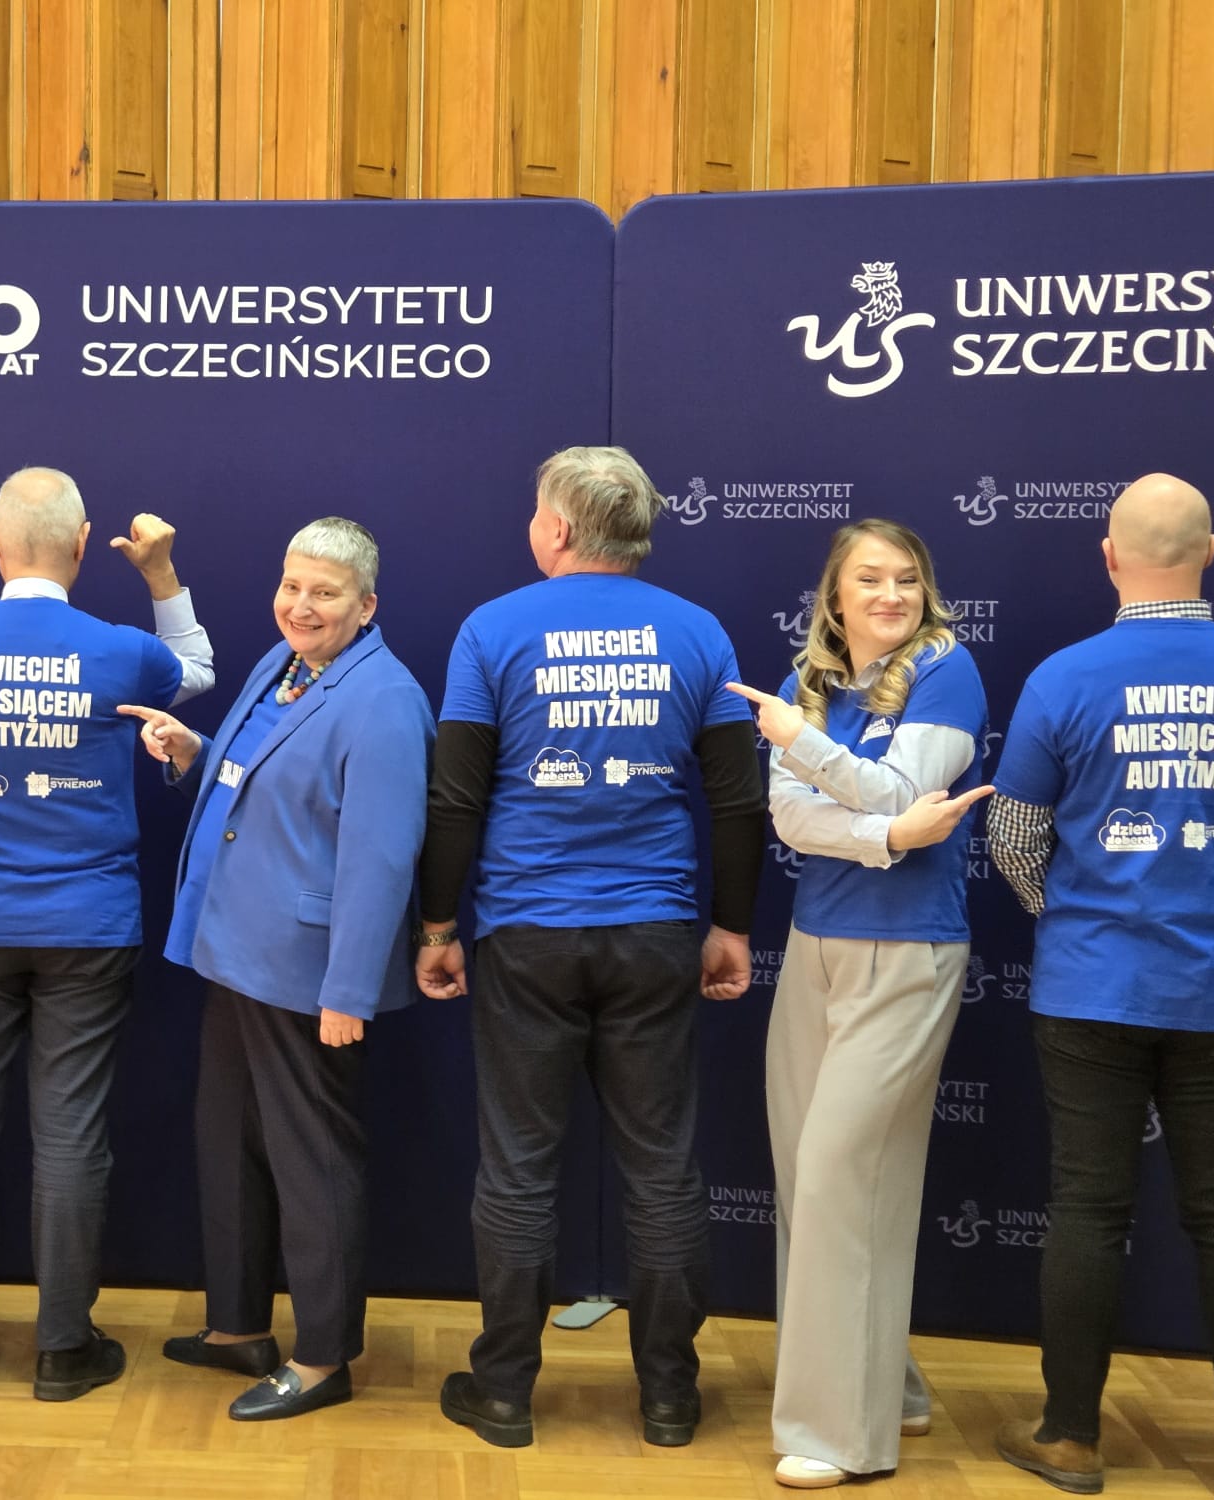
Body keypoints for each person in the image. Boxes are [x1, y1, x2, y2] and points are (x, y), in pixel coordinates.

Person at [416, 445, 767, 1451]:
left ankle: (503, 1393)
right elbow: (737, 802)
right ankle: (669, 1398)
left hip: (524, 933)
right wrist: (732, 925)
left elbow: (455, 797)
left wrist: (437, 927)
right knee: (661, 1169)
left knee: (519, 1168)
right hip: (654, 933)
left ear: (560, 528)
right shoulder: (697, 632)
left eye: (537, 511)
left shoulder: (492, 629)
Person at [0, 466, 213, 1401]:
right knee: (70, 1132)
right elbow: (194, 670)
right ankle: (62, 1351)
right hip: (87, 925)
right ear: (82, 546)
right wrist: (161, 575)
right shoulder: (122, 651)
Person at [121, 517, 432, 1421]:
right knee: (228, 1142)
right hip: (233, 951)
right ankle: (238, 1328)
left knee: (312, 1162)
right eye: (292, 585)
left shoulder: (385, 700)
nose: (301, 605)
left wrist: (349, 989)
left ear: (366, 606)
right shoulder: (284, 663)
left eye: (325, 593)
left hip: (306, 972)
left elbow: (381, 859)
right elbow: (253, 772)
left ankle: (324, 1356)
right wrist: (193, 751)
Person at [986, 473, 1214, 1499]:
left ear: (1107, 557)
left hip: (1091, 985)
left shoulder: (1063, 677)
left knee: (1088, 1210)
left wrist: (1073, 919)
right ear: (1209, 553)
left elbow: (1011, 835)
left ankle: (1070, 1439)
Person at [726, 519, 991, 1490]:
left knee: (845, 1175)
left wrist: (807, 751)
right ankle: (890, 1386)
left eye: (905, 579)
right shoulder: (811, 681)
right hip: (815, 946)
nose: (890, 595)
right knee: (809, 1176)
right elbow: (794, 817)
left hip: (908, 948)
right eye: (869, 580)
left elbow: (898, 786)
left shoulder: (946, 668)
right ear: (834, 597)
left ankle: (841, 1436)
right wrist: (885, 836)